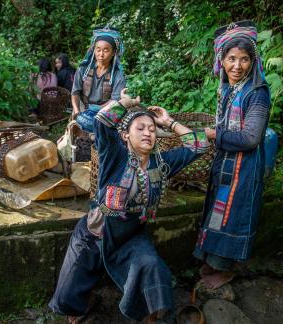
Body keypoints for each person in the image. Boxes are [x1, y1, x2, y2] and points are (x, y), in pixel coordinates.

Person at [49, 89, 210, 323]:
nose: (148, 133)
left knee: (152, 266)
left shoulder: (162, 163)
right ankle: (82, 305)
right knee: (68, 302)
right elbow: (102, 122)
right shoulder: (114, 156)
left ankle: (150, 317)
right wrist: (127, 102)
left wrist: (169, 122)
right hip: (96, 233)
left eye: (153, 130)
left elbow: (199, 145)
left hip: (131, 236)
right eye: (141, 128)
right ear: (125, 135)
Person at [193, 20, 271, 289]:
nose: (237, 66)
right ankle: (213, 261)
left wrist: (215, 135)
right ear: (221, 59)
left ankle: (225, 269)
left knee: (233, 215)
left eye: (245, 59)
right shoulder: (227, 87)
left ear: (253, 61)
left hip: (244, 168)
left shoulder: (257, 93)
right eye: (231, 59)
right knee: (218, 211)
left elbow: (251, 138)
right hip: (226, 163)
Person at [71, 26, 126, 119]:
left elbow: (116, 101)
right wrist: (77, 111)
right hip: (83, 109)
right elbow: (75, 92)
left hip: (107, 110)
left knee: (120, 110)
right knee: (78, 126)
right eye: (98, 49)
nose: (101, 54)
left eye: (106, 50)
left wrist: (97, 110)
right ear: (94, 50)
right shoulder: (83, 69)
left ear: (113, 53)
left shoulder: (118, 75)